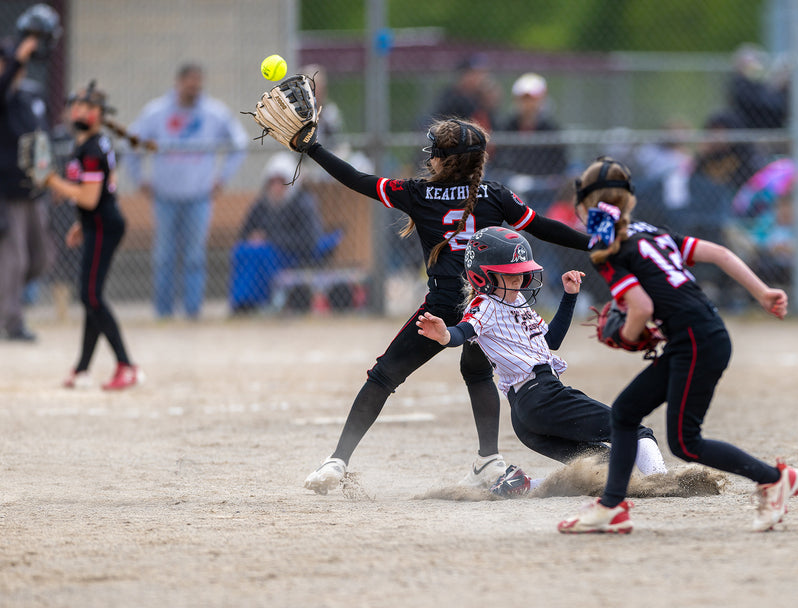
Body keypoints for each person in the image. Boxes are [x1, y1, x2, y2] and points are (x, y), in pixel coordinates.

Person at [292, 117, 591, 495]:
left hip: (444, 305)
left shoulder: (417, 192)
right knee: (477, 373)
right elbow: (544, 226)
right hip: (488, 304)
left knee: (383, 377)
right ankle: (489, 460)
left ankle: (338, 460)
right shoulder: (495, 194)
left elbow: (356, 179)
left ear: (441, 159)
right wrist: (595, 243)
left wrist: (314, 148)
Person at [556, 157, 798, 534]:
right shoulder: (649, 233)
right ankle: (611, 506)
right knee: (625, 412)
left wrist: (626, 336)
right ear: (629, 200)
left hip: (696, 341)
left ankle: (775, 479)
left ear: (584, 205)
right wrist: (763, 292)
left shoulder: (608, 247)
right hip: (699, 335)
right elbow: (720, 253)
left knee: (686, 443)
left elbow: (641, 307)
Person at [415, 227, 667, 496]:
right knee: (634, 430)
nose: (519, 279)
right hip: (543, 396)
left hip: (527, 414)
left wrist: (569, 296)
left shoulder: (517, 300)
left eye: (521, 272)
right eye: (509, 274)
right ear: (482, 276)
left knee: (598, 463)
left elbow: (551, 340)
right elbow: (462, 332)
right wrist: (444, 336)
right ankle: (665, 482)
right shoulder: (484, 305)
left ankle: (519, 487)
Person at [38, 83, 143, 390]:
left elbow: (89, 197)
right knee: (90, 296)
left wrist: (52, 181)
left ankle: (127, 365)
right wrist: (80, 223)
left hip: (103, 225)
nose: (80, 112)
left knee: (91, 296)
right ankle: (82, 369)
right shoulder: (88, 144)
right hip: (95, 223)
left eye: (88, 108)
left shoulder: (94, 148)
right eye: (77, 106)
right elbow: (101, 190)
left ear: (100, 114)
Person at [128, 62, 248, 320]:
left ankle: (192, 312)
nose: (194, 88)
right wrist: (139, 179)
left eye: (198, 83)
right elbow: (132, 144)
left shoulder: (214, 113)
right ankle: (163, 313)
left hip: (199, 197)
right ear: (178, 82)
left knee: (194, 256)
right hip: (165, 197)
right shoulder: (156, 112)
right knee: (164, 257)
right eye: (189, 83)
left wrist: (222, 178)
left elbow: (240, 143)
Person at [0, 29, 53, 342]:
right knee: (15, 260)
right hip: (6, 194)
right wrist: (17, 59)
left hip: (34, 190)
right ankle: (12, 322)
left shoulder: (30, 96)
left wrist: (53, 179)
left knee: (41, 258)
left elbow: (44, 137)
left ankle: (7, 301)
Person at [228, 152, 323, 313]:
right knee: (241, 250)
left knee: (260, 254)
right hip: (263, 251)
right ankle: (240, 303)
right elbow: (245, 232)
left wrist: (270, 239)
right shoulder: (262, 204)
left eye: (281, 182)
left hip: (292, 255)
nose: (276, 187)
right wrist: (253, 237)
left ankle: (258, 302)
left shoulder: (303, 203)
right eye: (272, 182)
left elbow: (309, 240)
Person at [490, 73, 567, 180]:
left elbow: (558, 164)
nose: (528, 104)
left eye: (532, 99)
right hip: (511, 180)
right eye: (524, 99)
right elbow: (499, 160)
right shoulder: (506, 126)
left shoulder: (551, 128)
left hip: (542, 182)